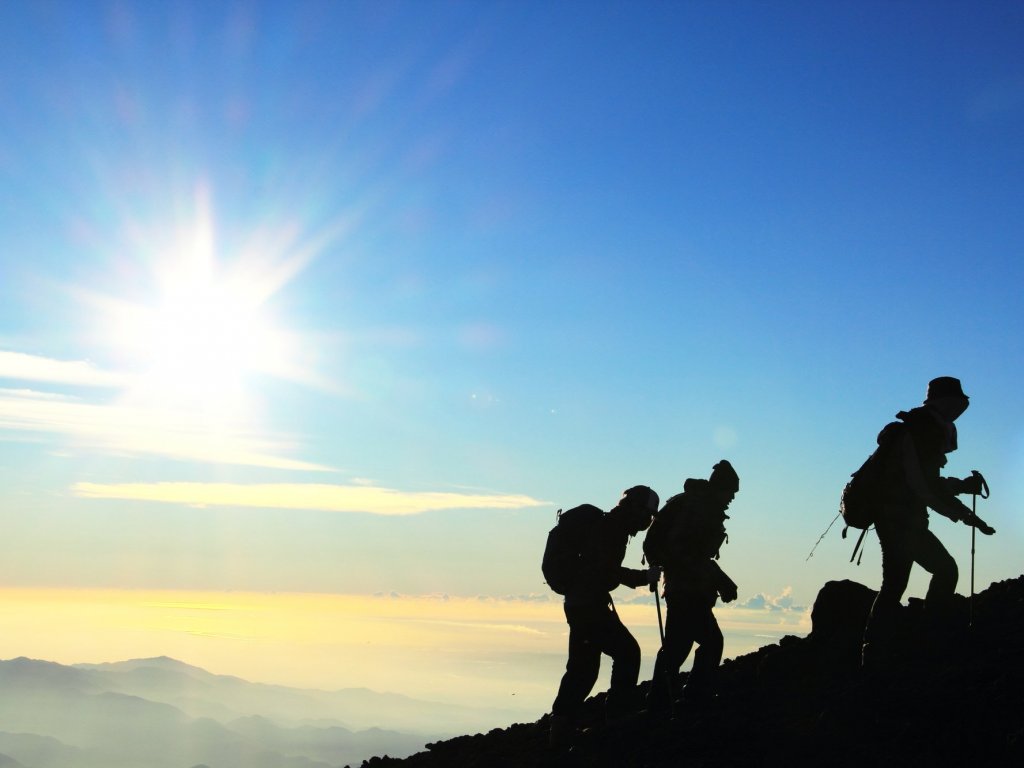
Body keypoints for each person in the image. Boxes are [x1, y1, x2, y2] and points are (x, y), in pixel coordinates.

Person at [861, 376, 995, 669]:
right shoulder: (925, 429)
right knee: (937, 572)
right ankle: (923, 639)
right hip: (901, 520)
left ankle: (875, 652)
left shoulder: (922, 427)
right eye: (960, 404)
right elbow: (923, 484)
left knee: (898, 582)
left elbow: (924, 481)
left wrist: (961, 490)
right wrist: (965, 514)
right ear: (949, 403)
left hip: (898, 518)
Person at [548, 485, 660, 749]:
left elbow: (602, 571)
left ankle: (562, 728)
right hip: (589, 605)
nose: (647, 521)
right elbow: (606, 571)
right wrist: (642, 577)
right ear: (635, 508)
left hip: (580, 603)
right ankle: (618, 717)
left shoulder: (609, 526)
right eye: (647, 515)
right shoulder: (612, 530)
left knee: (582, 668)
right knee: (626, 653)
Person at [644, 460, 739, 714]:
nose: (731, 498)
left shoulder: (696, 504)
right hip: (687, 589)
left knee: (677, 646)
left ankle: (661, 703)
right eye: (730, 492)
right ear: (720, 488)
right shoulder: (697, 508)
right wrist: (718, 577)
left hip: (684, 588)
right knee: (709, 642)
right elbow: (686, 553)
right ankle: (692, 698)